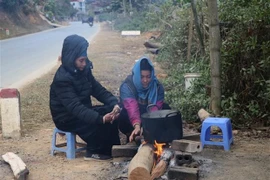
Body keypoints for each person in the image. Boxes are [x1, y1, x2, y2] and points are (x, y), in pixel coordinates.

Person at [49, 34, 121, 161]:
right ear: (71, 59)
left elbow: (98, 90)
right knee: (97, 122)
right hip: (66, 117)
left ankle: (113, 148)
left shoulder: (84, 70)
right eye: (81, 60)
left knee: (109, 111)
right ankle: (93, 151)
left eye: (85, 60)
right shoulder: (62, 79)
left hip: (82, 110)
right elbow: (75, 108)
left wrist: (114, 103)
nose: (84, 64)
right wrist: (101, 119)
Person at [118, 57, 170, 143]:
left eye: (148, 77)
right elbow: (132, 108)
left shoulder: (157, 87)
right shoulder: (127, 86)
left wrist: (148, 126)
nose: (145, 80)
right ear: (137, 75)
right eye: (141, 77)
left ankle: (154, 134)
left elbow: (155, 109)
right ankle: (132, 134)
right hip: (132, 119)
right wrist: (137, 125)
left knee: (166, 109)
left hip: (150, 116)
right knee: (123, 113)